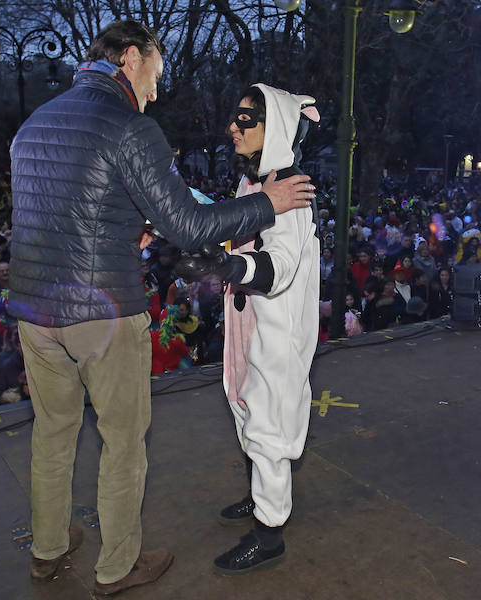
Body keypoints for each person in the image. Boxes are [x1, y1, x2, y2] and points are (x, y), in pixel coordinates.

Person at [6, 20, 314, 597]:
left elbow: (60, 210)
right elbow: (190, 226)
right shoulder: (129, 126)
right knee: (123, 441)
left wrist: (127, 224)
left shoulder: (34, 124)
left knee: (52, 433)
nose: (156, 89)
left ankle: (47, 549)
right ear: (130, 58)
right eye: (155, 72)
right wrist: (269, 203)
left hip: (33, 312)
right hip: (101, 312)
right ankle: (116, 567)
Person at [174, 83, 320, 575]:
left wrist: (226, 267)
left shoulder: (291, 191)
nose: (233, 127)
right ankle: (261, 496)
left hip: (272, 326)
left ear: (274, 128)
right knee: (243, 405)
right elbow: (238, 230)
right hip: (247, 322)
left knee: (269, 423)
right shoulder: (254, 183)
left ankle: (270, 531)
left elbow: (278, 268)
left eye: (246, 120)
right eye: (235, 118)